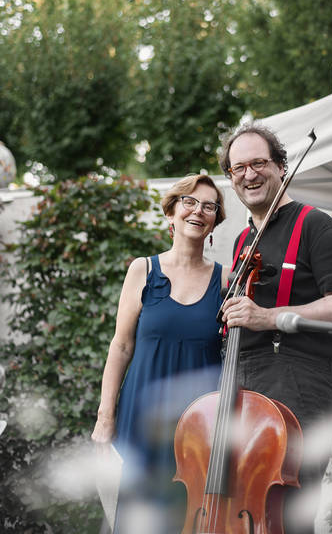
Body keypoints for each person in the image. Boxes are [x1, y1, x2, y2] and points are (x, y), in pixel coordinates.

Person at [218, 123, 332, 534]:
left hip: (298, 379)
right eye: (239, 167)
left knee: (290, 511)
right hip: (245, 383)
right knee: (243, 506)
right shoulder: (244, 238)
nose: (249, 175)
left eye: (259, 163)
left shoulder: (316, 225)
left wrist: (268, 317)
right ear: (231, 178)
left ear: (282, 166)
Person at [91, 174, 228, 534]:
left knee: (188, 519)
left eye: (209, 206)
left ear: (215, 220)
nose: (198, 211)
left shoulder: (227, 281)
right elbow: (120, 346)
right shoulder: (142, 270)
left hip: (198, 427)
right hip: (142, 416)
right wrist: (106, 418)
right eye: (190, 202)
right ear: (171, 212)